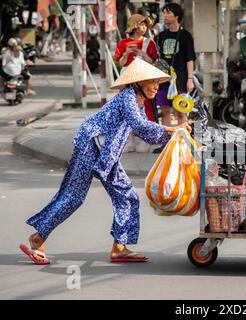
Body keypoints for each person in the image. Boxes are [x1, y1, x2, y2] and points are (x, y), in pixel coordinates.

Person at [19, 58, 192, 265]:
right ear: (139, 82)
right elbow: (139, 124)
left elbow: (147, 133)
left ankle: (120, 247)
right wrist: (172, 129)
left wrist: (175, 135)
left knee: (127, 196)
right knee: (73, 197)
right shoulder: (128, 96)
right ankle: (37, 239)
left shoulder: (139, 102)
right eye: (153, 81)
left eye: (158, 82)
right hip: (89, 147)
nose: (156, 86)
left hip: (107, 155)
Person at [154, 2, 196, 153]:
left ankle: (183, 142)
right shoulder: (160, 36)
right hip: (163, 80)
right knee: (165, 111)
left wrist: (190, 79)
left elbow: (190, 59)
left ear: (176, 16)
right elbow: (156, 59)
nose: (165, 16)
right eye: (164, 13)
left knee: (180, 111)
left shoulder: (186, 36)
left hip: (181, 80)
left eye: (168, 13)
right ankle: (167, 143)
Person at [114, 13, 159, 152]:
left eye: (146, 25)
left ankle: (146, 139)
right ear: (134, 26)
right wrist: (126, 53)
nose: (144, 27)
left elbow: (154, 62)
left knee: (146, 109)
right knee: (129, 108)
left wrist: (142, 54)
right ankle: (130, 140)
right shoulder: (123, 43)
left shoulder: (149, 43)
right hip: (128, 80)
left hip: (144, 80)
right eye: (142, 24)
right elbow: (121, 63)